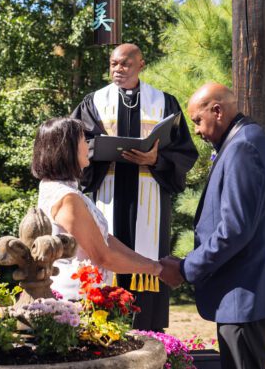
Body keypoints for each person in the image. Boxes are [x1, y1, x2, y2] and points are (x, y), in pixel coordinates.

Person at [159, 83, 265, 369]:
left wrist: (185, 268)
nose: (196, 130)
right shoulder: (245, 140)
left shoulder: (242, 146)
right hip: (245, 291)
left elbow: (234, 230)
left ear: (217, 111)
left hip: (244, 293)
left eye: (197, 120)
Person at [71, 43, 198, 330]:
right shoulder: (94, 102)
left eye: (125, 64)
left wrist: (156, 158)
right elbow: (75, 144)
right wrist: (102, 152)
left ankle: (149, 336)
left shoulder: (165, 103)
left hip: (149, 198)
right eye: (114, 64)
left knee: (147, 265)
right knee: (104, 259)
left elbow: (184, 152)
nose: (118, 69)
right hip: (108, 192)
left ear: (141, 64)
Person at [32, 116, 163, 301]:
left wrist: (152, 264)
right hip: (74, 296)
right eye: (83, 141)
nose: (88, 146)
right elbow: (103, 257)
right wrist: (156, 269)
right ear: (67, 149)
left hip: (82, 291)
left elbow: (105, 238)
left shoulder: (56, 187)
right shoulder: (67, 198)